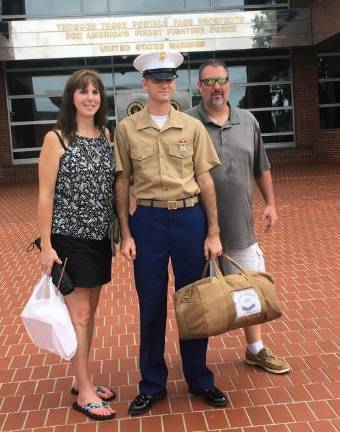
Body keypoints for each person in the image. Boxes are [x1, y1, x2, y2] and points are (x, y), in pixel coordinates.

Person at [114, 51, 228, 416]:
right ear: (144, 84)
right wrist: (126, 234)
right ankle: (152, 384)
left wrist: (213, 231)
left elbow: (205, 180)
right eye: (157, 79)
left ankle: (199, 378)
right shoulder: (127, 129)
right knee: (150, 303)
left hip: (188, 218)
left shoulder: (191, 127)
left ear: (175, 83)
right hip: (147, 222)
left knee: (194, 302)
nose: (165, 84)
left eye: (170, 78)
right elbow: (123, 182)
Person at [186, 59, 290, 375]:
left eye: (222, 80)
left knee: (250, 290)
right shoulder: (187, 123)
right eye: (209, 81)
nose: (217, 87)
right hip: (196, 228)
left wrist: (270, 204)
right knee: (199, 297)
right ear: (199, 87)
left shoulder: (248, 121)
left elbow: (262, 166)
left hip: (240, 224)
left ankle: (255, 349)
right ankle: (195, 366)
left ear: (230, 84)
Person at [37, 69, 117, 421]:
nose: (90, 97)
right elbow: (45, 193)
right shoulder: (57, 138)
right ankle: (84, 392)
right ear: (71, 97)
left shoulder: (104, 134)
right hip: (68, 238)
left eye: (95, 91)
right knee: (80, 315)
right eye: (83, 91)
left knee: (88, 315)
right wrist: (45, 245)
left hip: (99, 238)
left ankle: (82, 377)